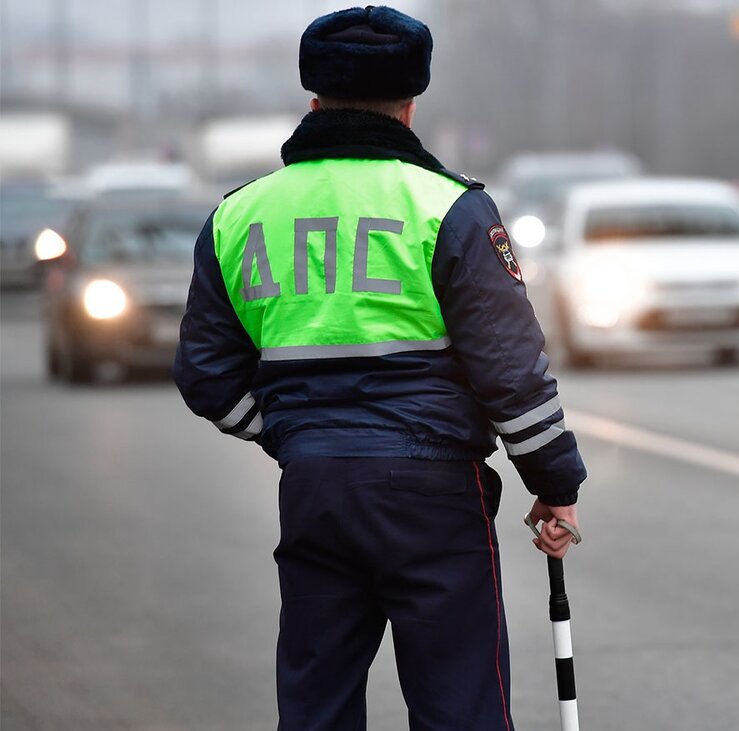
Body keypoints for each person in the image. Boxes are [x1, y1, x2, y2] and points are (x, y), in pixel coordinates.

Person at [173, 6, 587, 729]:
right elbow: (511, 372)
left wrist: (295, 434)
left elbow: (205, 373)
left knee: (317, 706)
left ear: (314, 103)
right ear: (410, 106)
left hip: (314, 487)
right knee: (458, 708)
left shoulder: (240, 215)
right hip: (434, 492)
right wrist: (554, 484)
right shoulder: (449, 208)